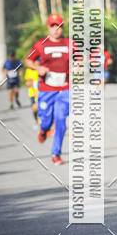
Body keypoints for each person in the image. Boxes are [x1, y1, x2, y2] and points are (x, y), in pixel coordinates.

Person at [25, 13, 72, 166]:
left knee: (60, 120)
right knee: (45, 121)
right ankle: (44, 130)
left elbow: (78, 58)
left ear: (62, 28)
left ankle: (56, 153)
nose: (56, 30)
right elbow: (28, 60)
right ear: (48, 27)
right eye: (53, 26)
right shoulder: (40, 44)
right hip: (47, 89)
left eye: (59, 26)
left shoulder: (69, 43)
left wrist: (78, 65)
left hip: (65, 89)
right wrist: (38, 67)